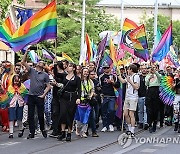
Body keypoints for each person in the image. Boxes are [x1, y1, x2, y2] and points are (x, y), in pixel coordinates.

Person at [21, 50, 51, 139]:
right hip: (31, 96)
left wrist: (43, 95)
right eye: (39, 62)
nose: (40, 63)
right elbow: (23, 62)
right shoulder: (32, 71)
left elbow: (49, 86)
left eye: (42, 62)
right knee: (30, 115)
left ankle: (42, 129)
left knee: (40, 115)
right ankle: (32, 132)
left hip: (39, 97)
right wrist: (26, 52)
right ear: (37, 64)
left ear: (43, 65)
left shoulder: (45, 75)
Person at [54, 62, 81, 142]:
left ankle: (69, 132)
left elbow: (79, 89)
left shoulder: (77, 78)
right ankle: (62, 132)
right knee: (63, 113)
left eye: (70, 66)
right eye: (68, 66)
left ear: (73, 68)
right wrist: (56, 64)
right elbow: (56, 73)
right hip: (63, 97)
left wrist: (78, 98)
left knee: (70, 115)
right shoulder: (64, 76)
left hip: (72, 97)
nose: (68, 68)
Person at [118, 64, 140, 136]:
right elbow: (123, 81)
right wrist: (118, 75)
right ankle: (129, 128)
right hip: (127, 97)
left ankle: (132, 130)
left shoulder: (136, 76)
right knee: (125, 114)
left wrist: (130, 81)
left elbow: (136, 87)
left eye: (128, 69)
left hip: (133, 97)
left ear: (131, 69)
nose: (127, 70)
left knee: (131, 114)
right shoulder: (129, 76)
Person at [99, 63, 120, 132]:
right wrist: (101, 93)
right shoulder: (101, 76)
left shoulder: (114, 76)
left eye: (107, 68)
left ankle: (111, 124)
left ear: (110, 68)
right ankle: (105, 125)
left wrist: (113, 82)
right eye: (104, 68)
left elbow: (118, 86)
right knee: (104, 111)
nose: (106, 69)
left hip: (112, 96)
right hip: (104, 96)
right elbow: (99, 86)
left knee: (111, 110)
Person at [49, 61, 65, 138]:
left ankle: (59, 130)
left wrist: (56, 84)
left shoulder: (64, 75)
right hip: (55, 96)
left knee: (59, 113)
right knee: (54, 113)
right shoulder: (55, 74)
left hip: (61, 96)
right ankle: (55, 129)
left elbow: (64, 85)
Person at [145, 65, 162, 133]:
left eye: (153, 68)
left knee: (155, 109)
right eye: (151, 69)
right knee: (149, 110)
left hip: (156, 91)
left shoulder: (158, 75)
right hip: (149, 92)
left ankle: (154, 123)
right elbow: (146, 84)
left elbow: (160, 77)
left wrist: (155, 72)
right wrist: (149, 78)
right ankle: (150, 124)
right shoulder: (147, 76)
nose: (152, 70)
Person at [138, 65, 148, 130]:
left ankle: (146, 123)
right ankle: (140, 122)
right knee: (140, 110)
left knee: (145, 110)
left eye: (145, 69)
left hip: (147, 96)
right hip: (140, 95)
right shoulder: (138, 77)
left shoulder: (149, 76)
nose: (144, 70)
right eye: (143, 69)